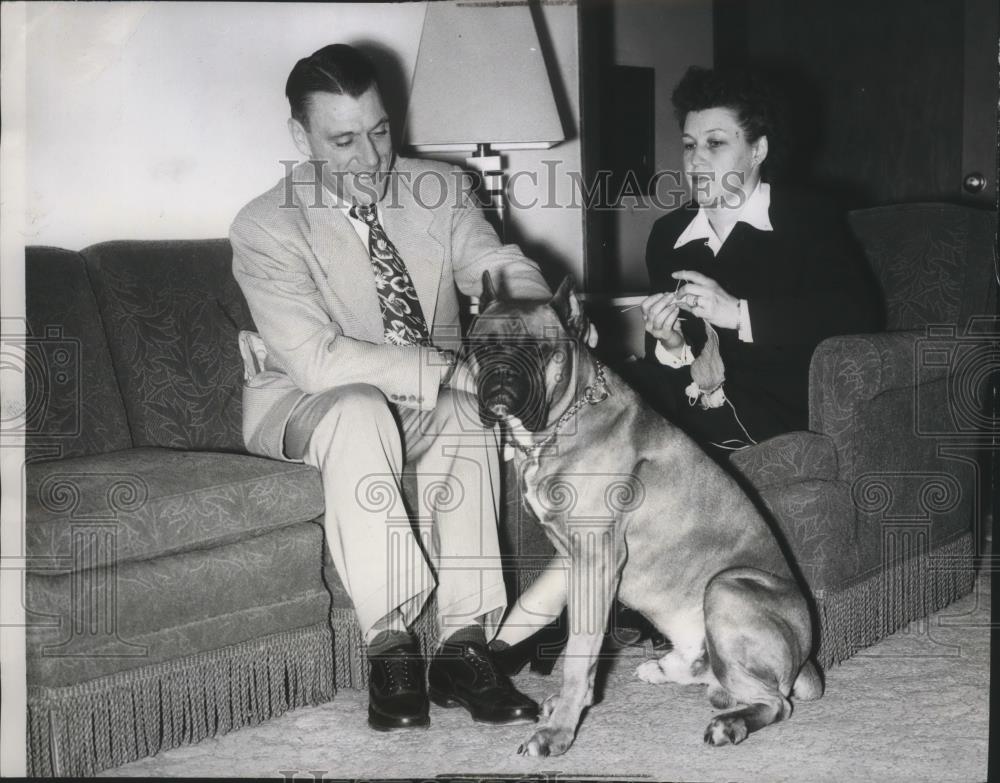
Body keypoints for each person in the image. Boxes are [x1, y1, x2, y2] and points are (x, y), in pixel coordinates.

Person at [230, 44, 553, 732]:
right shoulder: (265, 226)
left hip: (420, 398)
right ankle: (391, 644)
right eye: (343, 140)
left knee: (469, 411)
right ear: (301, 138)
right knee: (356, 407)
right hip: (306, 401)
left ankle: (465, 646)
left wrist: (530, 312)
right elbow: (318, 362)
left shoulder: (440, 187)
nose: (370, 157)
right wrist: (441, 373)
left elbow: (492, 263)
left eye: (379, 131)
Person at [625, 65, 883, 453]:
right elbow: (667, 362)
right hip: (690, 408)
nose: (695, 161)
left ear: (757, 150)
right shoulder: (668, 235)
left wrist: (738, 314)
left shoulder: (806, 218)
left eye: (715, 144)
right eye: (689, 145)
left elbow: (858, 314)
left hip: (776, 411)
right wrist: (671, 342)